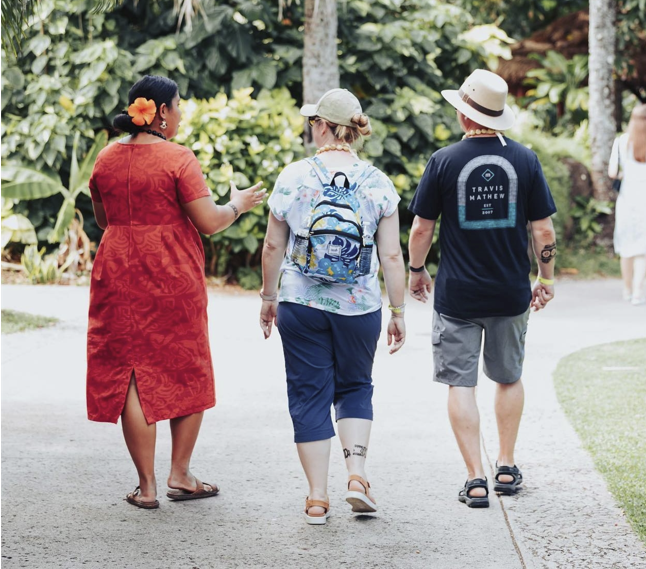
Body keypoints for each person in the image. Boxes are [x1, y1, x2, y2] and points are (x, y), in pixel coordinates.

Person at [87, 75, 267, 509]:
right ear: (162, 113)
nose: (182, 115)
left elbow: (101, 217)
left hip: (117, 269)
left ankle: (147, 487)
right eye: (179, 107)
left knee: (130, 371)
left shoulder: (106, 158)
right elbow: (209, 220)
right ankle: (180, 473)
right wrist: (238, 205)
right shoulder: (178, 159)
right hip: (170, 270)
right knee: (186, 363)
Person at [408, 69, 557, 506]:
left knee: (461, 383)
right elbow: (544, 231)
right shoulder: (526, 161)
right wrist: (545, 279)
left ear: (463, 113)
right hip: (511, 294)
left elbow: (421, 228)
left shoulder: (443, 161)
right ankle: (506, 468)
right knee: (509, 377)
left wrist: (417, 270)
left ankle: (475, 479)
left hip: (457, 295)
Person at [259, 88, 406, 525]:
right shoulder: (378, 182)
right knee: (356, 386)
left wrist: (268, 298)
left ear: (321, 126)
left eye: (313, 123)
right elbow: (392, 256)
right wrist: (397, 311)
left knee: (309, 394)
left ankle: (318, 498)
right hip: (360, 307)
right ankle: (357, 476)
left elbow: (272, 244)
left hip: (301, 303)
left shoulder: (294, 175)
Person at [608, 104, 646, 305]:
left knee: (627, 244)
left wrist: (627, 173)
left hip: (628, 195)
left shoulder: (622, 141)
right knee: (643, 245)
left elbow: (612, 173)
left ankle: (626, 289)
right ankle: (638, 292)